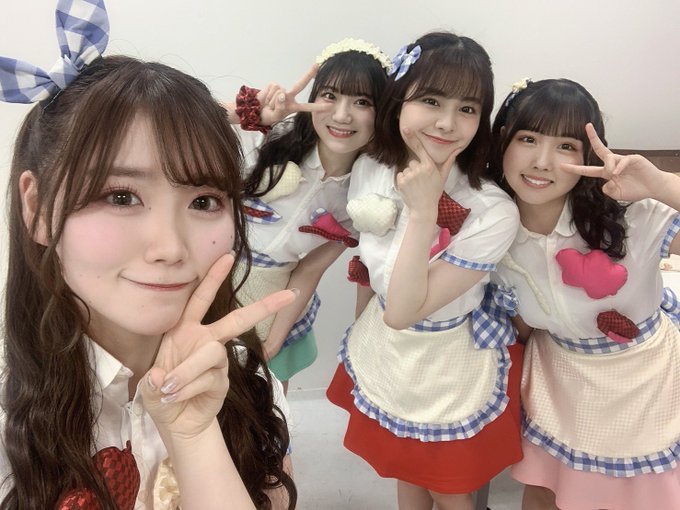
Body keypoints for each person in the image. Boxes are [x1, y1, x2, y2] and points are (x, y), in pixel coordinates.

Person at [0, 1, 298, 508]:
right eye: (121, 196)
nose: (170, 248)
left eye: (204, 201)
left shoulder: (245, 379)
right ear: (39, 207)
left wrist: (194, 434)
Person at [326, 31, 524, 510]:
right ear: (400, 99)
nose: (447, 123)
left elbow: (404, 311)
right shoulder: (371, 166)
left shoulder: (492, 209)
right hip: (387, 350)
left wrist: (423, 212)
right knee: (406, 471)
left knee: (449, 489)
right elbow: (367, 265)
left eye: (467, 108)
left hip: (448, 361)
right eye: (431, 100)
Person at [489, 78, 680, 510]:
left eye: (565, 146)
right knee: (546, 491)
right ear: (503, 141)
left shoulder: (631, 215)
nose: (542, 162)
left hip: (645, 380)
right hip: (558, 380)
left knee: (641, 495)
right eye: (528, 139)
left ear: (587, 157)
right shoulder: (489, 228)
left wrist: (662, 185)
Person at [224, 38, 391, 390]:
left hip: (279, 299)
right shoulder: (271, 138)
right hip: (215, 283)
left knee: (267, 402)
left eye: (362, 102)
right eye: (330, 96)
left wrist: (273, 343)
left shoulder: (366, 194)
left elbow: (310, 269)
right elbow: (181, 119)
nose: (342, 115)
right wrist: (251, 114)